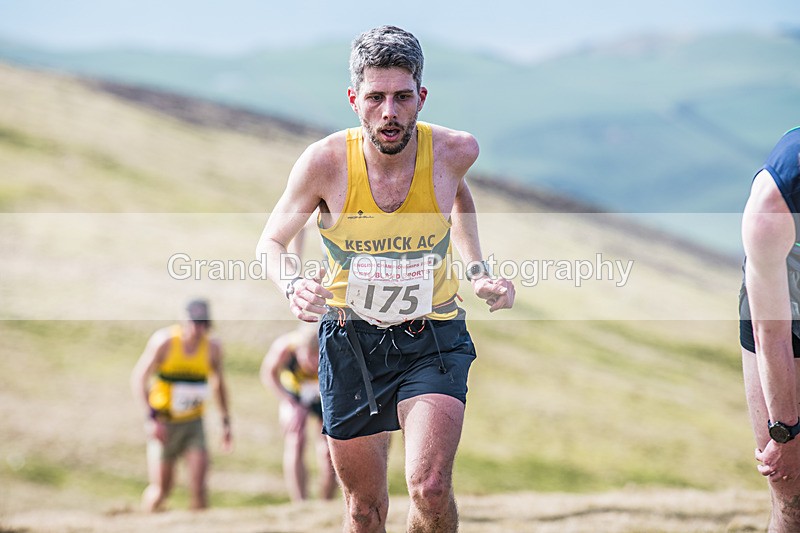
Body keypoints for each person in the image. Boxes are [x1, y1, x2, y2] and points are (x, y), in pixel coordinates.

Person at [257, 25, 515, 533]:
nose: (390, 113)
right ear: (355, 99)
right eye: (376, 98)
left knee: (430, 487)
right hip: (351, 342)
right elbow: (270, 243)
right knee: (364, 509)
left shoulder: (455, 151)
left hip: (433, 335)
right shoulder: (325, 163)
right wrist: (292, 284)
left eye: (402, 97)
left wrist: (477, 268)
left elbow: (455, 192)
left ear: (422, 96)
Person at [740, 126, 800, 532]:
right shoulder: (774, 202)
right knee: (792, 492)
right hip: (786, 309)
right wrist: (788, 434)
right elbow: (772, 334)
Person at [130, 298, 233, 512]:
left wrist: (225, 422)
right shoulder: (165, 342)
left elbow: (218, 384)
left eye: (203, 323)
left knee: (199, 487)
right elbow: (140, 378)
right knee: (162, 490)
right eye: (193, 322)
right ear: (183, 321)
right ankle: (145, 520)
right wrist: (151, 418)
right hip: (165, 423)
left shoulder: (212, 347)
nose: (197, 329)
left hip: (194, 422)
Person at [260, 325, 336, 501]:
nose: (312, 364)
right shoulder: (285, 347)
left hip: (323, 396)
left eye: (318, 359)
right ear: (300, 350)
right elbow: (268, 374)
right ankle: (300, 501)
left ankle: (326, 501)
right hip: (294, 394)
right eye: (308, 358)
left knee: (329, 448)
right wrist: (288, 401)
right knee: (296, 440)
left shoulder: (333, 348)